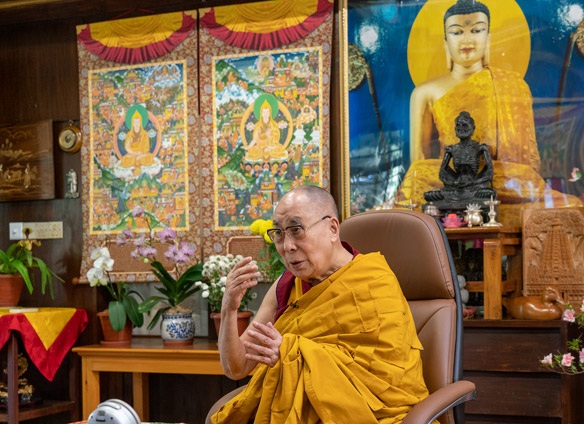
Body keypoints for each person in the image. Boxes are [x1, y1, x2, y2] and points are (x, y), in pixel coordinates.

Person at [211, 185, 429, 423]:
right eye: (279, 234)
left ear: (332, 228)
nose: (287, 246)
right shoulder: (285, 287)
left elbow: (387, 379)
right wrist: (229, 308)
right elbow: (237, 367)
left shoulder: (374, 281)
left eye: (296, 230)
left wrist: (289, 353)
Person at [401, 0, 581, 227]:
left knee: (571, 207)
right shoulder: (425, 92)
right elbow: (418, 165)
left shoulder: (513, 86)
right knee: (419, 175)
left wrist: (491, 175)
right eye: (457, 32)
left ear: (488, 38)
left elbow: (528, 163)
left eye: (476, 30)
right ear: (445, 41)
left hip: (506, 181)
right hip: (450, 188)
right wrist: (454, 180)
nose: (467, 40)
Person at [425, 111, 495, 212]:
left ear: (473, 128)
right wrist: (453, 183)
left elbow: (489, 172)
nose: (461, 128)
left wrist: (474, 183)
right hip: (455, 188)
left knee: (489, 193)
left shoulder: (480, 148)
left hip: (474, 187)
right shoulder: (451, 149)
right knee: (429, 195)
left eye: (465, 125)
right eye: (458, 125)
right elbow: (442, 173)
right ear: (455, 128)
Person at [119, 106, 157, 174]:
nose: (137, 124)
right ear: (132, 123)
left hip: (142, 154)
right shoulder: (129, 135)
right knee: (125, 160)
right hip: (132, 154)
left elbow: (146, 147)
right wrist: (134, 153)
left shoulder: (145, 134)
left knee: (149, 157)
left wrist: (140, 154)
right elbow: (127, 147)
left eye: (138, 122)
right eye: (135, 122)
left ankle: (139, 162)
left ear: (141, 123)